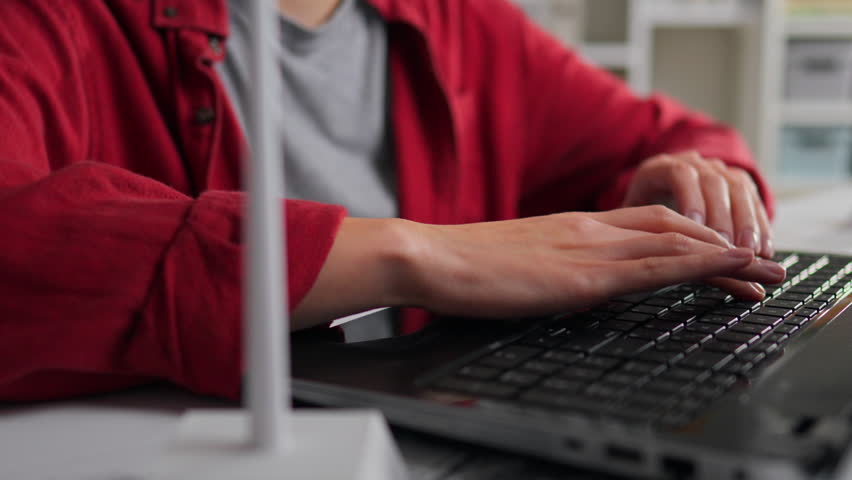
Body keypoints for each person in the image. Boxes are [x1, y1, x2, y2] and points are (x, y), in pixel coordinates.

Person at [0, 0, 785, 402]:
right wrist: (416, 253)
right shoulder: (49, 19)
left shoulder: (457, 21)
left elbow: (672, 136)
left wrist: (701, 184)